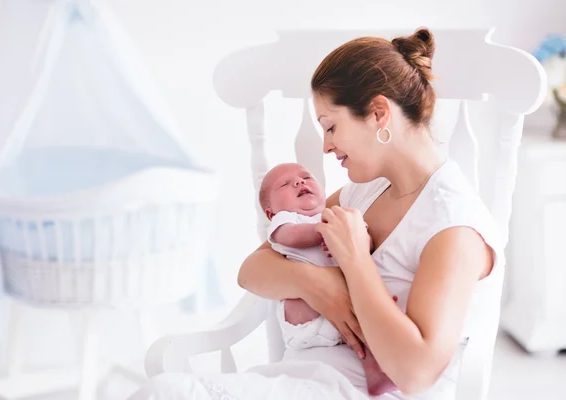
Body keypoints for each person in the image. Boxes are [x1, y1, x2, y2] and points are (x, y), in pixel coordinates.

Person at [128, 27, 503, 400]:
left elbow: (416, 374)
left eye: (331, 126)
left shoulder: (453, 227)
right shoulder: (366, 192)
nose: (326, 146)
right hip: (299, 379)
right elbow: (254, 270)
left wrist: (356, 262)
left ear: (378, 113)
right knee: (163, 391)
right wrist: (318, 284)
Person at [259, 162, 398, 396]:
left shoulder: (338, 216)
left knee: (369, 320)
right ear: (271, 212)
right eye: (285, 184)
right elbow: (292, 237)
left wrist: (357, 239)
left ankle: (375, 371)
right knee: (354, 311)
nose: (299, 182)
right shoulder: (284, 222)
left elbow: (364, 243)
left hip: (337, 313)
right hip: (305, 313)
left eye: (306, 177)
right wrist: (323, 231)